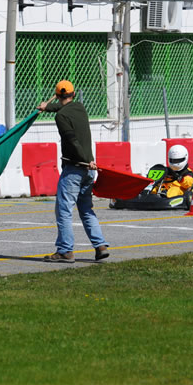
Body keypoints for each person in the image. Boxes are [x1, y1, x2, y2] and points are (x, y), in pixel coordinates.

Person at [37, 80, 109, 263]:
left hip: (74, 169)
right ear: (73, 94)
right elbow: (62, 108)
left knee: (63, 211)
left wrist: (84, 161)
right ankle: (100, 246)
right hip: (88, 171)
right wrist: (48, 107)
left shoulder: (61, 117)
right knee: (86, 210)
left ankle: (65, 251)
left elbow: (72, 141)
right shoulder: (80, 108)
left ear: (58, 95)